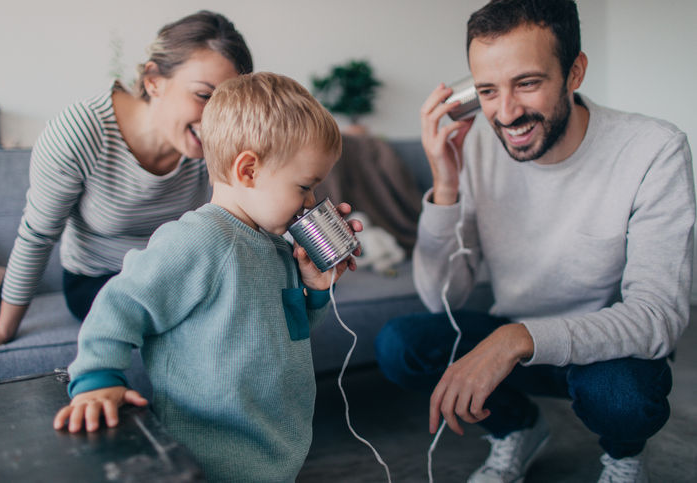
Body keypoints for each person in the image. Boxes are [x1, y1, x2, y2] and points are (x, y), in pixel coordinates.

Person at [374, 1, 695, 482]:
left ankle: (624, 458)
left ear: (575, 71)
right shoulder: (480, 143)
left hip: (606, 356)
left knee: (623, 397)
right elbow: (442, 297)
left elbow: (659, 317)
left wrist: (517, 338)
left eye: (527, 83)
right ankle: (517, 429)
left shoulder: (655, 149)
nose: (506, 113)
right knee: (402, 344)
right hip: (516, 340)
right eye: (487, 90)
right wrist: (445, 187)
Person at [53, 72, 361, 482]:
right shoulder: (196, 240)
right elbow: (120, 303)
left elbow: (292, 333)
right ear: (248, 169)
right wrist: (97, 378)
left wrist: (318, 290)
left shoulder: (278, 248)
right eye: (304, 186)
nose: (309, 203)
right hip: (210, 458)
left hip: (275, 453)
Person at [0, 11, 253, 347]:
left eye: (226, 103)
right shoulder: (81, 131)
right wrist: (2, 329)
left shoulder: (220, 138)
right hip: (100, 282)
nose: (214, 120)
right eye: (204, 96)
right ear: (153, 80)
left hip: (177, 275)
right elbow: (37, 236)